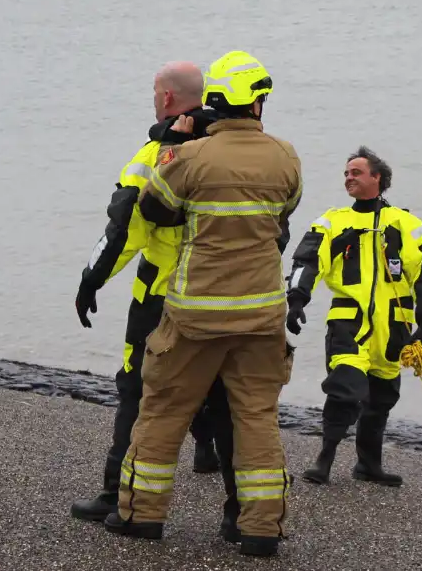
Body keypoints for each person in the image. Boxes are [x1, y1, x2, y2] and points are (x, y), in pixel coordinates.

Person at [104, 50, 302, 558]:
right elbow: (286, 210)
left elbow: (154, 208)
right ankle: (260, 528)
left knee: (165, 410)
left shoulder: (189, 158)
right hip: (261, 315)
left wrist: (172, 144)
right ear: (256, 105)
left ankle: (140, 515)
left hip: (196, 313)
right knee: (256, 416)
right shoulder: (286, 157)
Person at [70, 61, 228, 523]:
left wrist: (91, 279)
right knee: (227, 391)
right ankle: (243, 512)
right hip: (226, 293)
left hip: (161, 295)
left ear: (164, 98)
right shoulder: (234, 148)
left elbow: (125, 228)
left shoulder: (158, 151)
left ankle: (116, 493)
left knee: (137, 390)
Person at [286, 146, 422, 487]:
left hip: (393, 328)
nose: (349, 178)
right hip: (350, 321)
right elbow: (307, 260)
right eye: (346, 173)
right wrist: (297, 299)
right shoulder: (333, 221)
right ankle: (324, 461)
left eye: (356, 172)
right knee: (345, 390)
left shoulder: (406, 224)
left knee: (382, 398)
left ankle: (368, 465)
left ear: (378, 179)